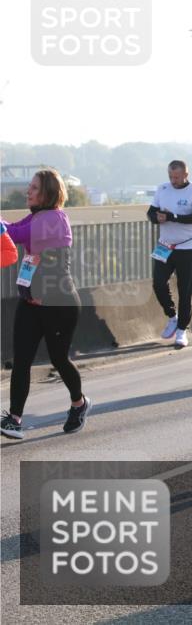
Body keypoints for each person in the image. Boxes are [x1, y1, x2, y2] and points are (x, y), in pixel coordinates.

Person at [1, 169, 91, 440]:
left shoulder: (54, 220)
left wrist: (3, 227)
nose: (28, 191)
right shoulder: (37, 216)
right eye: (29, 187)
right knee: (22, 360)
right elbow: (16, 229)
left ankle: (79, 403)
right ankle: (15, 419)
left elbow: (16, 233)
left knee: (59, 359)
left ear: (48, 193)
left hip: (58, 303)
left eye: (34, 188)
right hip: (31, 302)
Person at [147, 160, 192, 348]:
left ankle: (182, 330)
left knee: (185, 290)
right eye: (170, 177)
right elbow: (150, 213)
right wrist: (156, 218)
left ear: (185, 175)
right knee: (158, 282)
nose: (173, 180)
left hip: (188, 247)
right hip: (165, 245)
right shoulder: (162, 189)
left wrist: (172, 216)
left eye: (177, 177)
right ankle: (172, 316)